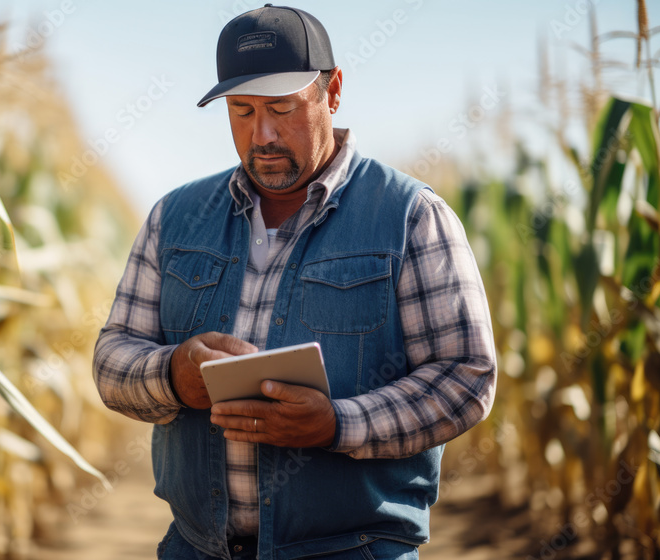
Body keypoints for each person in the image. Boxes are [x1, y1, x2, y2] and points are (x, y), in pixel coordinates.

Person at [92, 5, 497, 560]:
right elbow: (112, 356)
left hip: (354, 550)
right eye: (241, 111)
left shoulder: (410, 216)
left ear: (331, 92)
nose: (262, 134)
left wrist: (337, 424)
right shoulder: (175, 217)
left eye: (282, 108)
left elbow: (466, 378)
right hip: (194, 547)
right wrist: (172, 375)